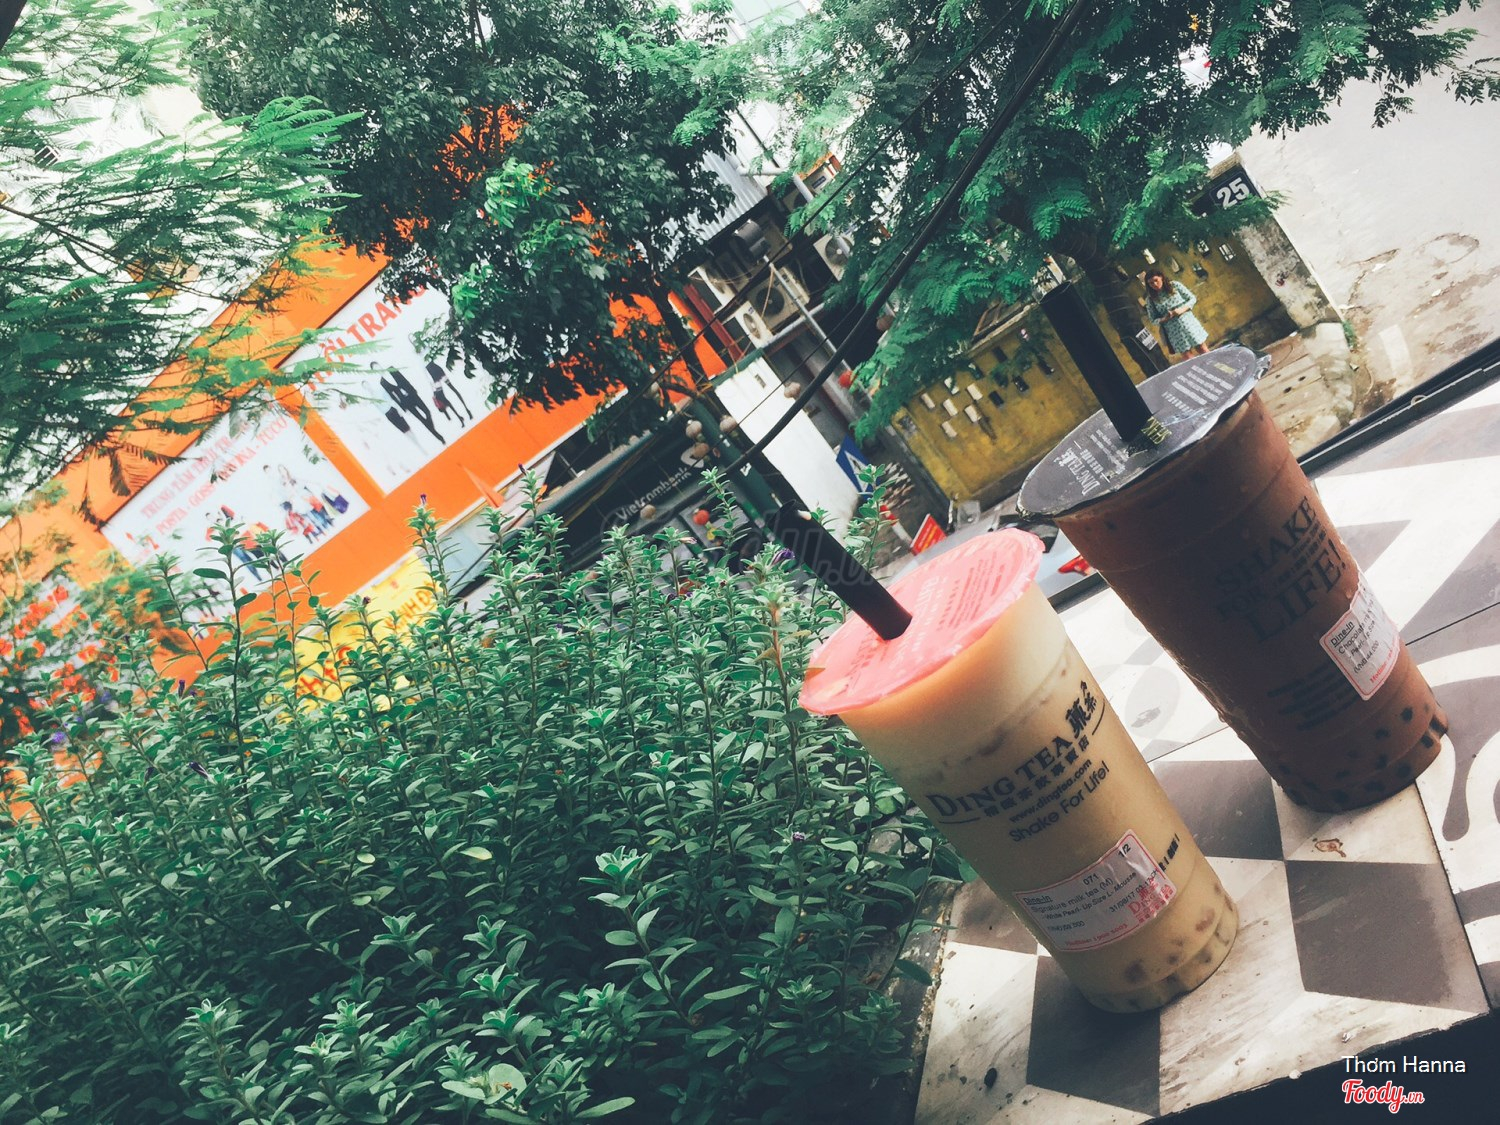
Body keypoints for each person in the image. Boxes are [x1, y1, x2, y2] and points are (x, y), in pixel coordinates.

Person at [1144, 267, 1210, 358]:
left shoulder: (1175, 285)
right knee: (1188, 357)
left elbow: (1192, 298)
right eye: (1151, 283)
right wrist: (1165, 318)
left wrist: (1181, 310)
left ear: (1161, 277)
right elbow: (1153, 320)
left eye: (1156, 280)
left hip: (1188, 322)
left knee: (1202, 349)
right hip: (1173, 331)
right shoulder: (1151, 299)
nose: (1154, 284)